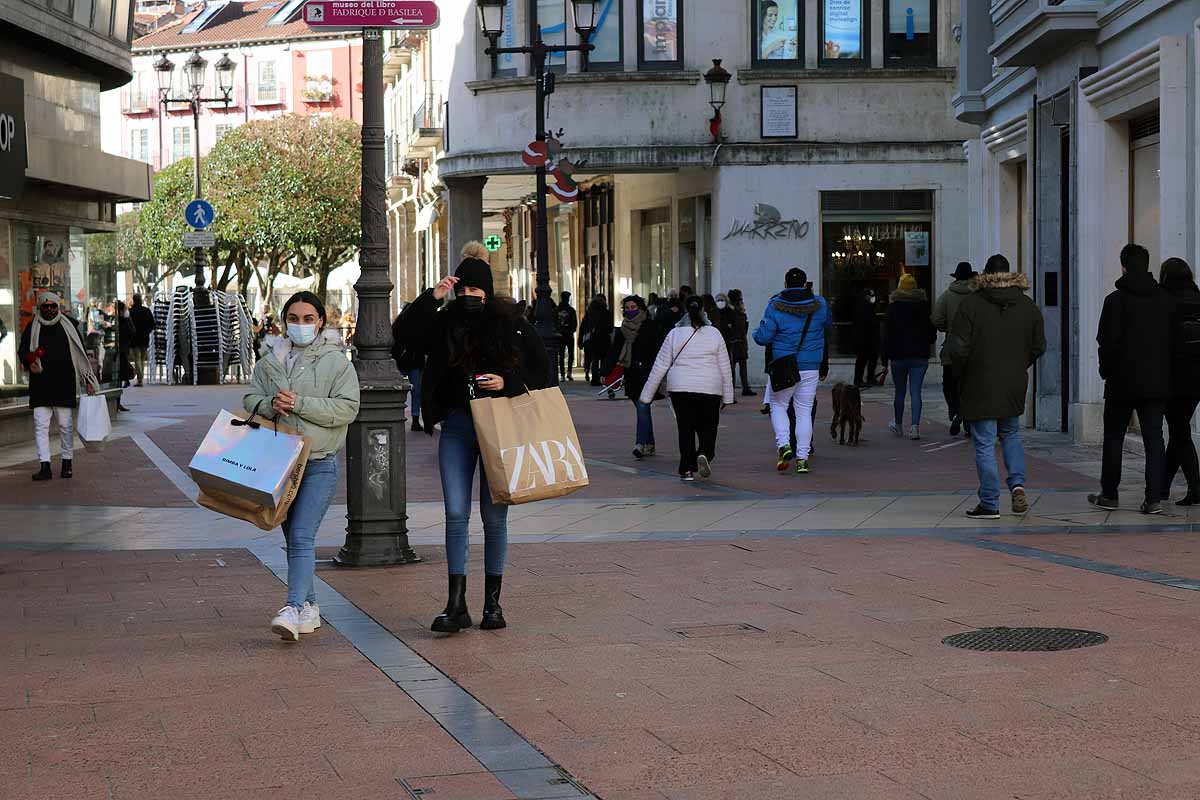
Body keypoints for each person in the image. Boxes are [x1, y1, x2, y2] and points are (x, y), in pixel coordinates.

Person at [394, 258, 551, 633]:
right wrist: (433, 296)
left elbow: (545, 375)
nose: (468, 296)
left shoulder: (512, 325)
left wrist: (507, 382)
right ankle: (456, 603)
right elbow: (404, 337)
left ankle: (493, 606)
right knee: (455, 513)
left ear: (488, 291)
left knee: (494, 517)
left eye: (475, 290)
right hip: (459, 425)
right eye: (462, 290)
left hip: (500, 426)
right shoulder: (443, 322)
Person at [246, 291, 360, 641]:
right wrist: (269, 404)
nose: (300, 325)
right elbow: (251, 398)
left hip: (319, 463)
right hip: (279, 463)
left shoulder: (336, 362)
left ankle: (293, 607)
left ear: (321, 322)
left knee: (300, 535)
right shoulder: (269, 362)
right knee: (293, 538)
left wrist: (300, 403)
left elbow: (346, 409)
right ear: (283, 321)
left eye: (308, 319)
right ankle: (309, 606)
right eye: (293, 318)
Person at [946, 255, 1046, 519]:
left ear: (986, 275)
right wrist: (1019, 364)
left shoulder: (971, 305)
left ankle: (990, 502)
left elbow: (957, 349)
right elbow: (1039, 346)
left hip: (979, 382)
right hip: (1013, 382)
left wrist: (961, 373)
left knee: (984, 443)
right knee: (1011, 434)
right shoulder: (1027, 306)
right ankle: (1018, 485)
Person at [1091, 243, 1174, 515]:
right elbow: (1173, 342)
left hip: (1121, 382)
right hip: (1156, 382)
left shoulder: (1114, 301)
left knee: (1114, 436)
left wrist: (1107, 371)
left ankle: (1110, 494)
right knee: (1154, 439)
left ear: (1123, 266)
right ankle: (1154, 499)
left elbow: (1106, 342)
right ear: (1147, 265)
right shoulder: (1165, 299)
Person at [640, 297, 734, 481]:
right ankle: (705, 453)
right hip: (710, 387)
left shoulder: (675, 334)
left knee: (685, 428)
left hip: (680, 387)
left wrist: (647, 395)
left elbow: (660, 364)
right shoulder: (714, 333)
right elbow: (725, 366)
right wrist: (728, 396)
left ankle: (686, 468)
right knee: (709, 426)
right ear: (703, 309)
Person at [753, 268, 830, 475]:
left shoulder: (775, 305)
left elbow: (763, 337)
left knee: (778, 405)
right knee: (804, 411)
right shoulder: (820, 304)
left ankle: (785, 445)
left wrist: (757, 330)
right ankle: (803, 459)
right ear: (805, 283)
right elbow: (827, 326)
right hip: (810, 365)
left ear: (786, 284)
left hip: (784, 364)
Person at [18, 292, 99, 481]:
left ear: (58, 307)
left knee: (65, 425)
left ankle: (67, 463)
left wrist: (88, 381)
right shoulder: (33, 326)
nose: (48, 310)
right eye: (44, 307)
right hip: (41, 384)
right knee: (40, 426)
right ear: (40, 308)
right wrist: (30, 358)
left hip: (64, 383)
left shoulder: (69, 325)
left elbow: (80, 355)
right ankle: (44, 465)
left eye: (52, 306)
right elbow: (23, 351)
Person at [1159, 258, 1200, 505]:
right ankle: (1162, 486)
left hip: (1175, 376)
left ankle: (1196, 487)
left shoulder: (1166, 301)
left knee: (1179, 432)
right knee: (1179, 431)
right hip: (1197, 379)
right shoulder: (1198, 297)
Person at [608, 295, 664, 459]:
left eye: (633, 307)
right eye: (627, 307)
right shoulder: (622, 329)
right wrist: (605, 372)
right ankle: (650, 444)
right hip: (631, 374)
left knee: (643, 407)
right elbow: (615, 351)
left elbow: (658, 349)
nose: (630, 310)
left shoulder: (650, 326)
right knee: (642, 409)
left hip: (647, 373)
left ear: (641, 308)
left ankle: (640, 443)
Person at [884, 274, 936, 440]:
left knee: (899, 391)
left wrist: (885, 356)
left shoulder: (893, 308)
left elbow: (886, 334)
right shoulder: (923, 307)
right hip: (919, 355)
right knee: (916, 391)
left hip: (898, 355)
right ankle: (915, 427)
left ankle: (898, 425)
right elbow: (931, 332)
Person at [933, 262, 976, 435]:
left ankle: (956, 409)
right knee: (970, 386)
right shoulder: (977, 296)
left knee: (949, 384)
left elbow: (936, 319)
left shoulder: (947, 296)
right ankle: (966, 418)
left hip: (952, 346)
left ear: (956, 277)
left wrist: (946, 328)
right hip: (973, 347)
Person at [391, 302, 426, 432]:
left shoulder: (399, 327)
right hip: (409, 363)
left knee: (413, 392)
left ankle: (414, 420)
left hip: (407, 363)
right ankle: (415, 420)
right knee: (415, 392)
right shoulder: (403, 327)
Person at [725, 290, 755, 397]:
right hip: (736, 342)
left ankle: (740, 388)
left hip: (738, 341)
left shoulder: (732, 310)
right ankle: (737, 389)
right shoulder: (734, 311)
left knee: (737, 366)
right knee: (734, 368)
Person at [579, 294, 613, 385]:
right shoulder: (605, 312)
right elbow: (610, 327)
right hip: (603, 339)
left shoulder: (589, 313)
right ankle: (602, 377)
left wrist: (580, 340)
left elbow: (583, 327)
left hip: (591, 340)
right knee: (603, 360)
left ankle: (594, 378)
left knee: (594, 359)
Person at [852, 288, 879, 389]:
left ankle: (869, 377)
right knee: (862, 360)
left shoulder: (867, 307)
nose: (872, 298)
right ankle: (859, 380)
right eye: (870, 295)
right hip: (864, 339)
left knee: (870, 358)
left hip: (867, 338)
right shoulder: (863, 307)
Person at [129, 294, 155, 387]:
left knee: (137, 358)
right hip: (144, 338)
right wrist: (147, 331)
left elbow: (128, 325)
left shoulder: (131, 311)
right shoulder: (146, 311)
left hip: (135, 338)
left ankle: (140, 379)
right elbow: (152, 324)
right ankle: (140, 379)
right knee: (142, 359)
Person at [555, 290, 578, 381]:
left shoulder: (556, 310)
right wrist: (571, 330)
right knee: (570, 354)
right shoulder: (571, 310)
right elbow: (574, 323)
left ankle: (562, 373)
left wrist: (558, 330)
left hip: (560, 335)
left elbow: (554, 322)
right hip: (568, 335)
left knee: (561, 354)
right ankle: (569, 372)